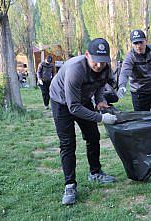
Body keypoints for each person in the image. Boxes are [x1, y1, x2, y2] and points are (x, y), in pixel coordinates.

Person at [49, 38, 118, 205]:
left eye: (103, 61)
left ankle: (95, 172)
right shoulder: (75, 70)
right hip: (62, 102)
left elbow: (100, 85)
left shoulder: (105, 67)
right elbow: (73, 107)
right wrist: (101, 117)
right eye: (96, 61)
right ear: (87, 55)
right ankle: (70, 185)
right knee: (68, 143)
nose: (99, 65)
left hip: (83, 98)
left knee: (93, 136)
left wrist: (100, 100)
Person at [117, 29, 151, 157]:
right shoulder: (130, 57)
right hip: (139, 94)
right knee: (142, 123)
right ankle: (146, 150)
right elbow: (124, 72)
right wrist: (122, 86)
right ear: (132, 44)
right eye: (135, 43)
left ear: (146, 41)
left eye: (140, 42)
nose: (138, 46)